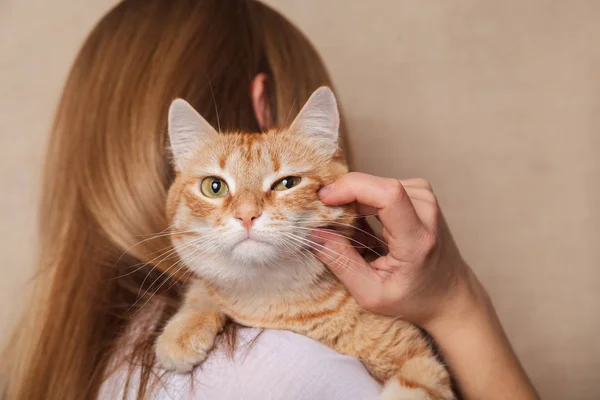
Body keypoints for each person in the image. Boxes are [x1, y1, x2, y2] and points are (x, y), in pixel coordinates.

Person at [0, 0, 540, 399]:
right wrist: (458, 301)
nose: (248, 211)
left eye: (284, 182)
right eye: (216, 187)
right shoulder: (290, 364)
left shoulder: (102, 348)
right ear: (268, 104)